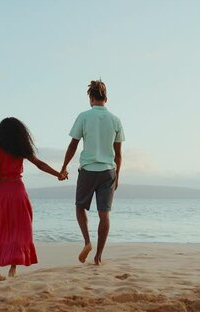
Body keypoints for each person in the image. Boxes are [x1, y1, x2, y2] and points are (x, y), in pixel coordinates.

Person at [0, 117, 67, 278]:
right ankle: (13, 269)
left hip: (2, 192)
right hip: (18, 192)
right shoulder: (21, 150)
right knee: (18, 229)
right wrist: (58, 174)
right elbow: (40, 164)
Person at [61, 80, 124, 265]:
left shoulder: (84, 116)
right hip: (108, 171)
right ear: (106, 98)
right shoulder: (115, 120)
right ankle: (98, 257)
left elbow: (73, 144)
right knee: (104, 214)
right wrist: (117, 176)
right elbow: (118, 154)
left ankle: (87, 242)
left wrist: (64, 167)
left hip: (88, 170)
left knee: (80, 207)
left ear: (91, 98)